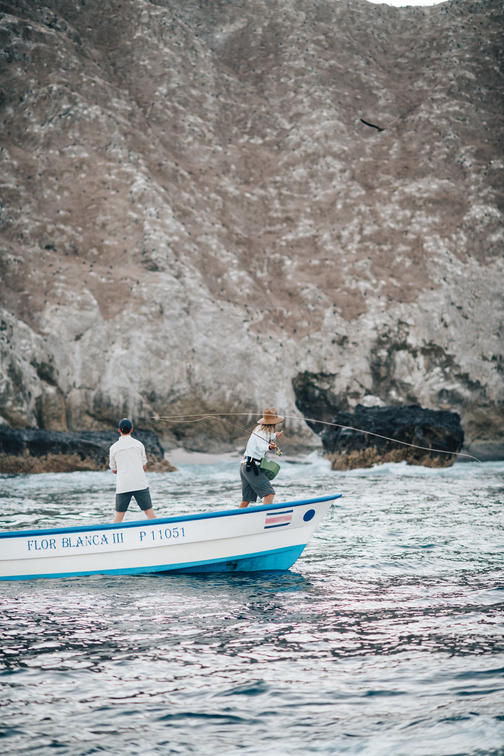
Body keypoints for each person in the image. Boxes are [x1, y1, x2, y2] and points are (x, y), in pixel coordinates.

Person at [109, 418, 156, 522]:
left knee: (119, 516)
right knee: (149, 513)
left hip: (123, 485)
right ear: (131, 429)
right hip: (139, 483)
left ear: (119, 430)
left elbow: (113, 470)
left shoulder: (113, 448)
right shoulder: (139, 444)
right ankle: (158, 530)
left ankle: (114, 532)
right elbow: (144, 467)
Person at [240, 407, 284, 508]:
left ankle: (235, 517)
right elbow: (261, 445)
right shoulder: (262, 432)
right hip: (251, 468)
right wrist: (269, 447)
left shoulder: (258, 428)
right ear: (273, 423)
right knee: (269, 494)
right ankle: (265, 515)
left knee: (246, 500)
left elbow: (266, 436)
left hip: (244, 466)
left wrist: (275, 435)